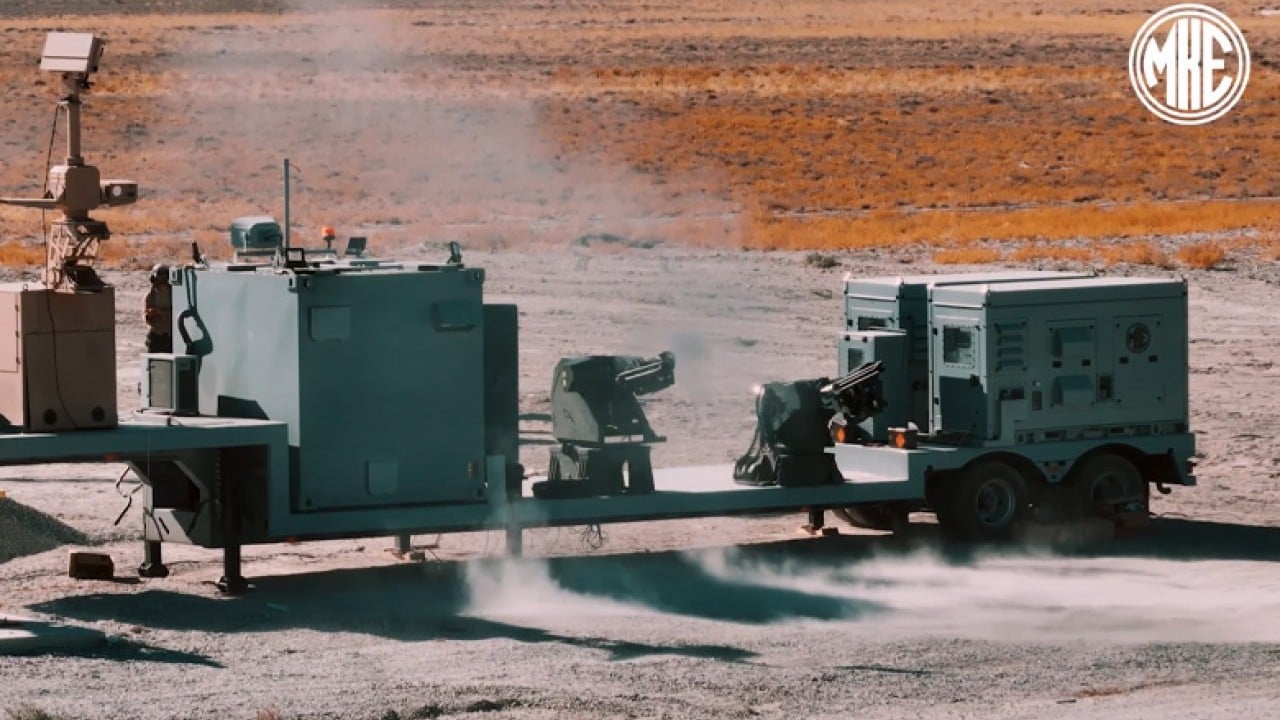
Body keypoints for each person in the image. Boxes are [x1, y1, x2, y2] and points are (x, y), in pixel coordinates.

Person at [143, 264, 172, 353]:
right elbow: (147, 318)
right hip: (156, 335)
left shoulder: (175, 293)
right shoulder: (150, 296)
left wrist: (163, 312)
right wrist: (152, 313)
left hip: (171, 335)